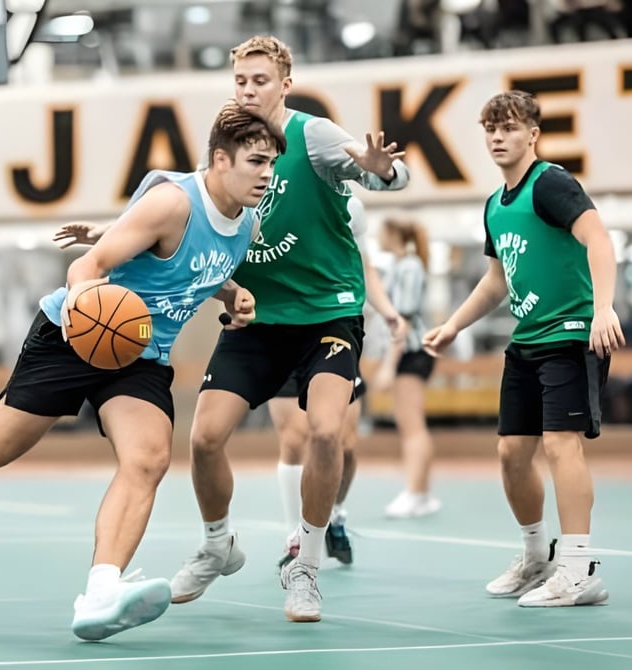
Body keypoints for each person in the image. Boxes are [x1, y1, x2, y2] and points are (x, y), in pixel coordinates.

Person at [0, 101, 286, 641]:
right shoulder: (173, 203)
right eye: (256, 161)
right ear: (220, 160)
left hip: (141, 354)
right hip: (77, 333)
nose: (267, 174)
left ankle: (100, 592)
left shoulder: (247, 224)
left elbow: (195, 269)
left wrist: (233, 294)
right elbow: (87, 264)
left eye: (271, 163)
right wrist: (88, 311)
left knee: (147, 460)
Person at [170, 35, 409, 623]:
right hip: (257, 319)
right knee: (203, 438)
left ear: (285, 84)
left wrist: (383, 170)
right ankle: (217, 545)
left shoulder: (314, 136)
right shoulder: (227, 148)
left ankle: (306, 565)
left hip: (327, 314)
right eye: (240, 81)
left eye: (260, 80)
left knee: (325, 433)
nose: (249, 90)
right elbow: (189, 213)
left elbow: (388, 175)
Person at [423, 90, 625, 607]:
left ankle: (579, 569)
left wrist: (603, 309)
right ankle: (538, 558)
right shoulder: (496, 204)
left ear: (532, 135)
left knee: (560, 444)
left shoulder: (550, 183)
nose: (497, 137)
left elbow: (599, 239)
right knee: (512, 453)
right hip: (527, 340)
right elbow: (497, 280)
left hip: (571, 333)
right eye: (490, 129)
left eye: (509, 128)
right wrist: (454, 325)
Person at [271, 196, 405, 567]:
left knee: (343, 443)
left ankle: (336, 513)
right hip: (279, 330)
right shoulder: (270, 195)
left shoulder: (348, 205)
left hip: (333, 329)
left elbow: (364, 266)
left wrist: (388, 312)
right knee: (294, 437)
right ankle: (295, 536)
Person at [377, 219, 441, 519]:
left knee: (411, 425)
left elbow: (403, 319)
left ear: (393, 235)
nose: (378, 236)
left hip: (411, 352)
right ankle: (421, 494)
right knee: (411, 425)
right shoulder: (398, 266)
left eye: (381, 232)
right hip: (407, 352)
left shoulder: (410, 267)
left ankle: (415, 493)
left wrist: (389, 365)